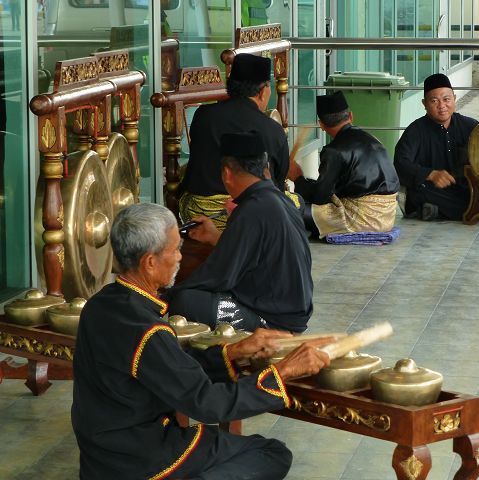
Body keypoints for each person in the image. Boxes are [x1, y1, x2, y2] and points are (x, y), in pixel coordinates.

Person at [71, 201, 331, 479]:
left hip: (100, 460)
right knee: (272, 453)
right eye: (175, 249)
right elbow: (208, 404)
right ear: (150, 262)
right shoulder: (148, 331)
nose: (180, 257)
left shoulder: (98, 305)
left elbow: (165, 365)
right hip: (143, 459)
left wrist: (231, 353)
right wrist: (282, 372)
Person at [168, 132, 313, 332]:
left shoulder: (252, 209)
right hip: (289, 310)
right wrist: (214, 236)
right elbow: (255, 252)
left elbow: (218, 276)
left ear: (227, 173)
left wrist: (165, 296)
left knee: (185, 301)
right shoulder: (281, 200)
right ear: (265, 168)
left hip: (272, 320)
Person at [179, 53, 294, 229]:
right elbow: (278, 179)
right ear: (263, 91)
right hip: (251, 214)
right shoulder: (272, 129)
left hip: (198, 211)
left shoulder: (203, 115)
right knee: (295, 202)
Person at [288, 91, 400, 238]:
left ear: (321, 125)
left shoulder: (333, 151)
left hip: (361, 219)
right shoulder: (373, 139)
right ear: (351, 116)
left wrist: (297, 177)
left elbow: (320, 197)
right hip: (388, 216)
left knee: (291, 207)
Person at [394, 73, 479, 221]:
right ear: (424, 104)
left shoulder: (470, 126)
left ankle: (436, 210)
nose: (442, 106)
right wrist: (431, 174)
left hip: (463, 189)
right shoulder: (415, 131)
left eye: (446, 99)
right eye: (434, 101)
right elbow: (400, 163)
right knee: (418, 193)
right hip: (433, 189)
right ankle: (470, 210)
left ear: (454, 98)